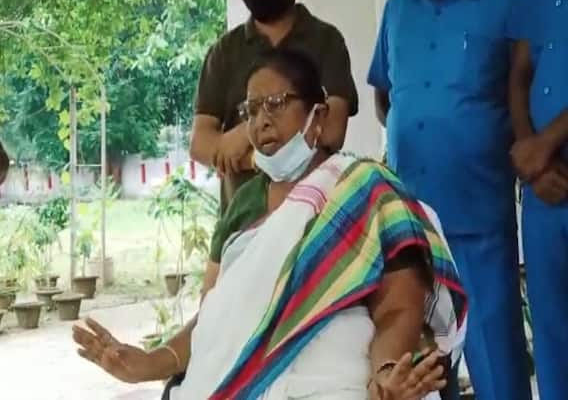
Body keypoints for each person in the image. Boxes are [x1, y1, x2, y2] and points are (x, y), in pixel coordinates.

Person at [73, 50, 467, 400]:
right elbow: (219, 317)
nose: (261, 121)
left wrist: (386, 373)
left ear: (318, 115)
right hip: (240, 382)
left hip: (341, 379)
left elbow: (398, 302)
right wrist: (151, 362)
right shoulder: (244, 205)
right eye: (251, 110)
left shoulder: (364, 187)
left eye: (277, 104)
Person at [367, 0, 531, 399]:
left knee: (494, 358)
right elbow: (385, 97)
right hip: (411, 224)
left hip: (478, 215)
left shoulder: (504, 5)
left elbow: (525, 95)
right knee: (425, 366)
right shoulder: (397, 9)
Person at [189, 0, 358, 213]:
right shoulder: (224, 52)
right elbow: (200, 144)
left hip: (314, 212)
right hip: (245, 216)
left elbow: (332, 132)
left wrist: (246, 133)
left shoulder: (326, 41)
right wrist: (255, 160)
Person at [509, 0, 568, 398]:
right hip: (545, 191)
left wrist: (544, 144)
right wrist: (531, 155)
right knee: (550, 330)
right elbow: (519, 76)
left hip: (549, 160)